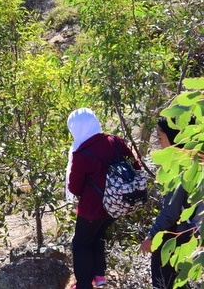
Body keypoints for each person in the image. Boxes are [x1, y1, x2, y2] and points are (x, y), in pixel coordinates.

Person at [66, 107, 142, 289]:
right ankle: (99, 275)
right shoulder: (115, 141)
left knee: (81, 243)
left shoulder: (81, 153)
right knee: (98, 235)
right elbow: (135, 165)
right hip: (119, 203)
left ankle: (84, 284)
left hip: (92, 208)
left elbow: (74, 187)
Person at [139, 116, 202, 289]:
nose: (158, 143)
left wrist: (151, 237)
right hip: (193, 233)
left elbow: (170, 212)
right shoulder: (197, 159)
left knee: (165, 280)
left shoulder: (183, 166)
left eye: (160, 137)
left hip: (183, 234)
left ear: (174, 136)